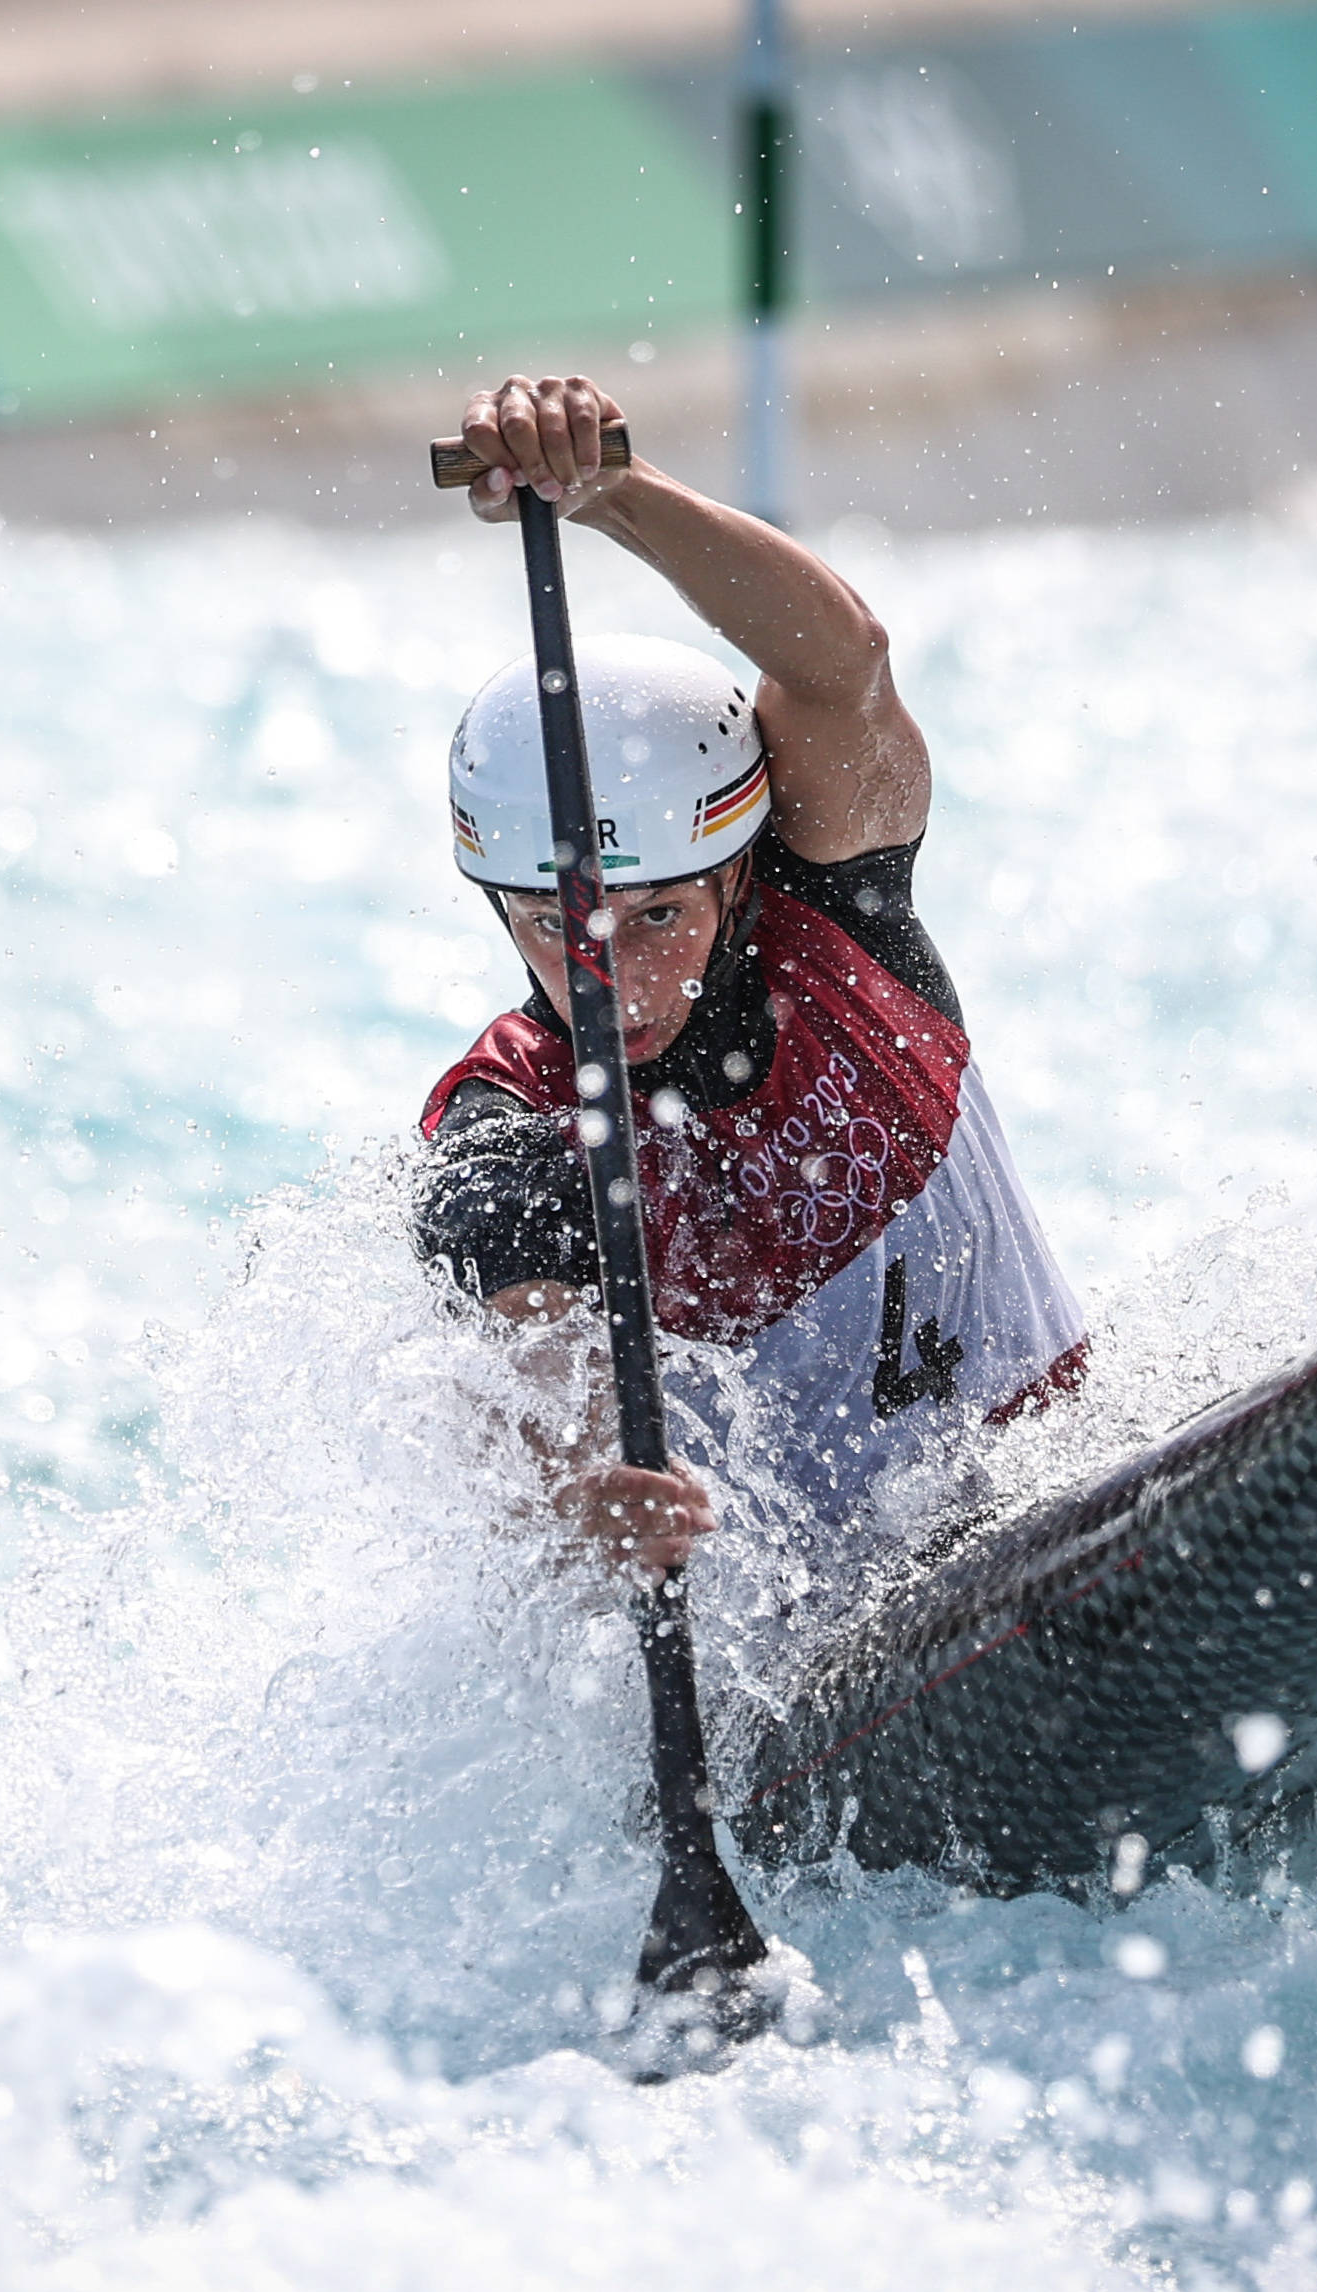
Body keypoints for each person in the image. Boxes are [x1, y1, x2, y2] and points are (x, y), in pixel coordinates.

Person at [414, 373, 1087, 1582]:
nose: (605, 973)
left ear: (735, 880)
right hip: (805, 1660)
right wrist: (586, 1482)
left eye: (656, 913)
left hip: (1068, 1495)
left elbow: (842, 667)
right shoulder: (504, 1121)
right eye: (549, 924)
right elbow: (534, 1359)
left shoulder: (841, 921)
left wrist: (617, 493)